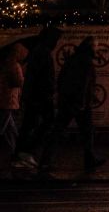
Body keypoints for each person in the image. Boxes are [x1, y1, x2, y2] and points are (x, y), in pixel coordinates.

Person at [37, 35, 101, 172]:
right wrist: (82, 102)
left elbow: (62, 80)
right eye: (96, 46)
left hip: (68, 102)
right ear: (90, 47)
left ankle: (45, 160)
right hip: (79, 104)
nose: (97, 49)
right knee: (86, 132)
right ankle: (89, 160)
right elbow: (83, 84)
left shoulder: (73, 58)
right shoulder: (86, 61)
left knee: (60, 131)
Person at [17, 25, 59, 168]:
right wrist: (49, 91)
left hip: (36, 95)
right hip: (41, 96)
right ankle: (26, 151)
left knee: (29, 124)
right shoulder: (43, 53)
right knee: (46, 122)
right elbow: (42, 77)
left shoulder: (38, 51)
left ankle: (21, 153)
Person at [1, 39, 27, 167]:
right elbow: (18, 82)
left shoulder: (7, 63)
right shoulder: (14, 65)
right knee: (3, 127)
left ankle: (16, 153)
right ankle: (17, 153)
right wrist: (23, 75)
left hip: (6, 100)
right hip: (8, 100)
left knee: (10, 130)